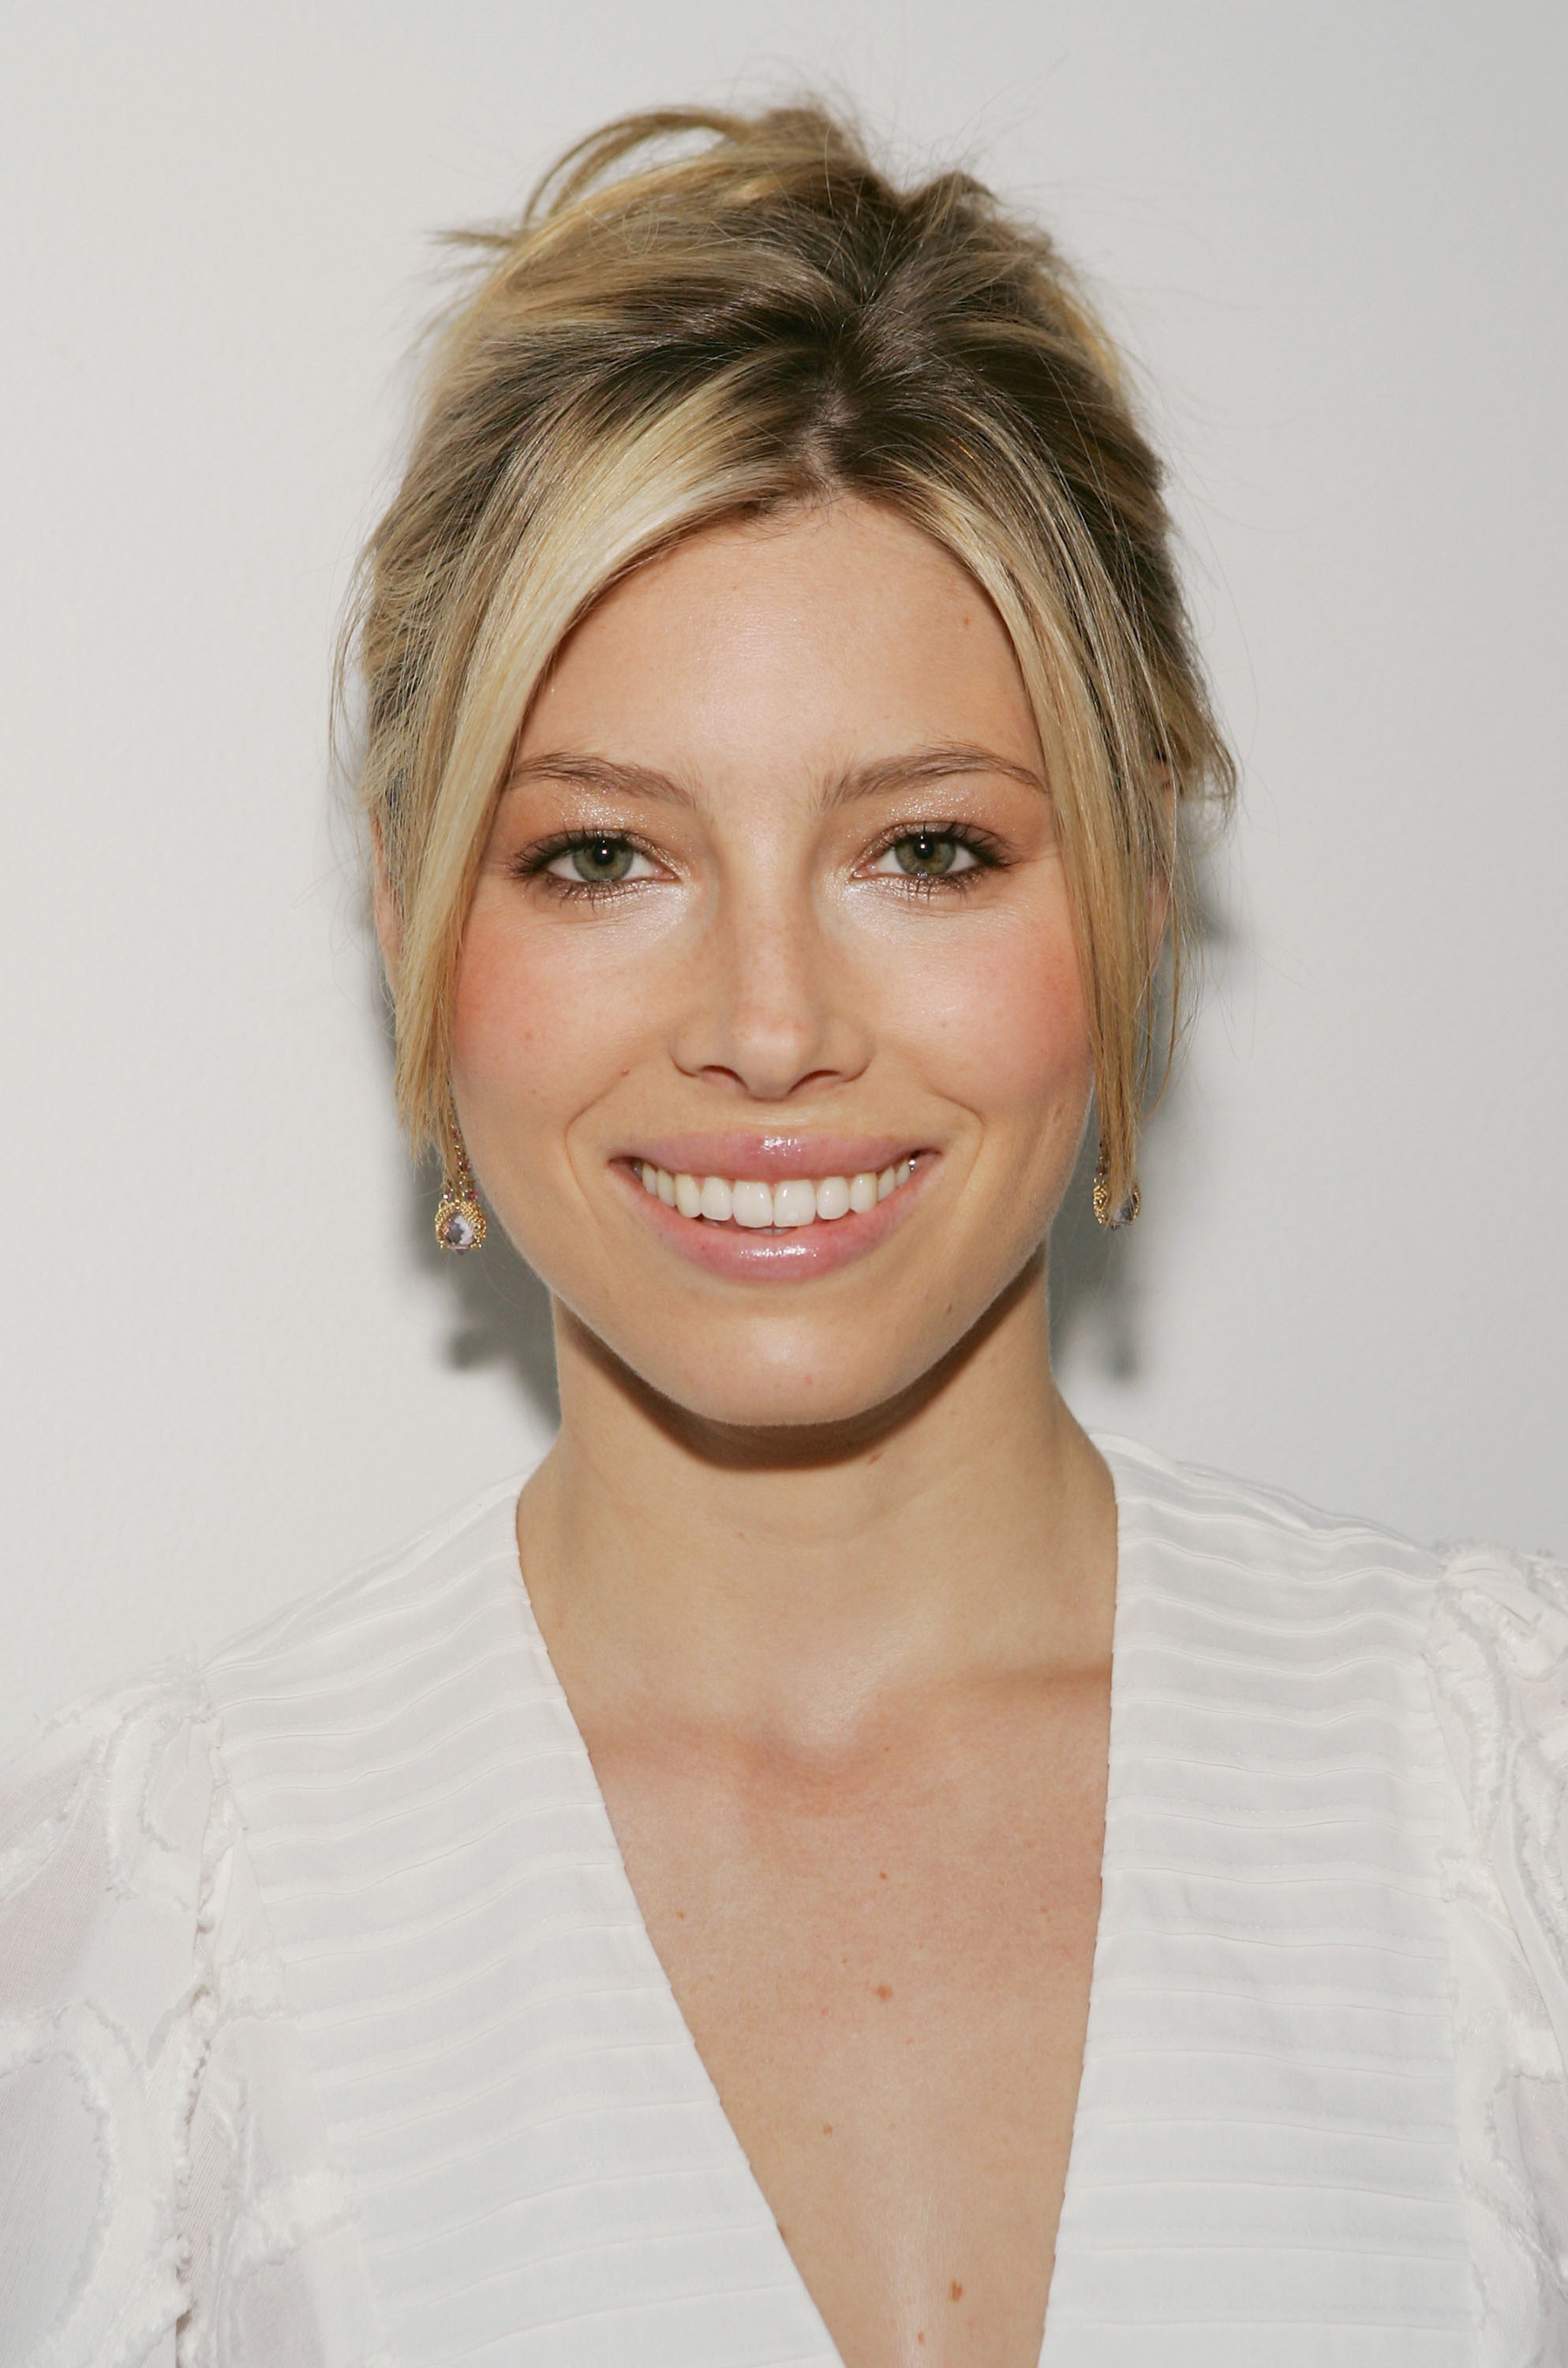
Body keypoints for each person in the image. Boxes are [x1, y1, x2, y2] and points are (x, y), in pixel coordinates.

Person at [0, 101, 1562, 2368]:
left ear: (1137, 894)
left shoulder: (1507, 1801)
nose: (766, 1027)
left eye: (925, 850)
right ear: (412, 917)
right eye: (601, 856)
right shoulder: (155, 1933)